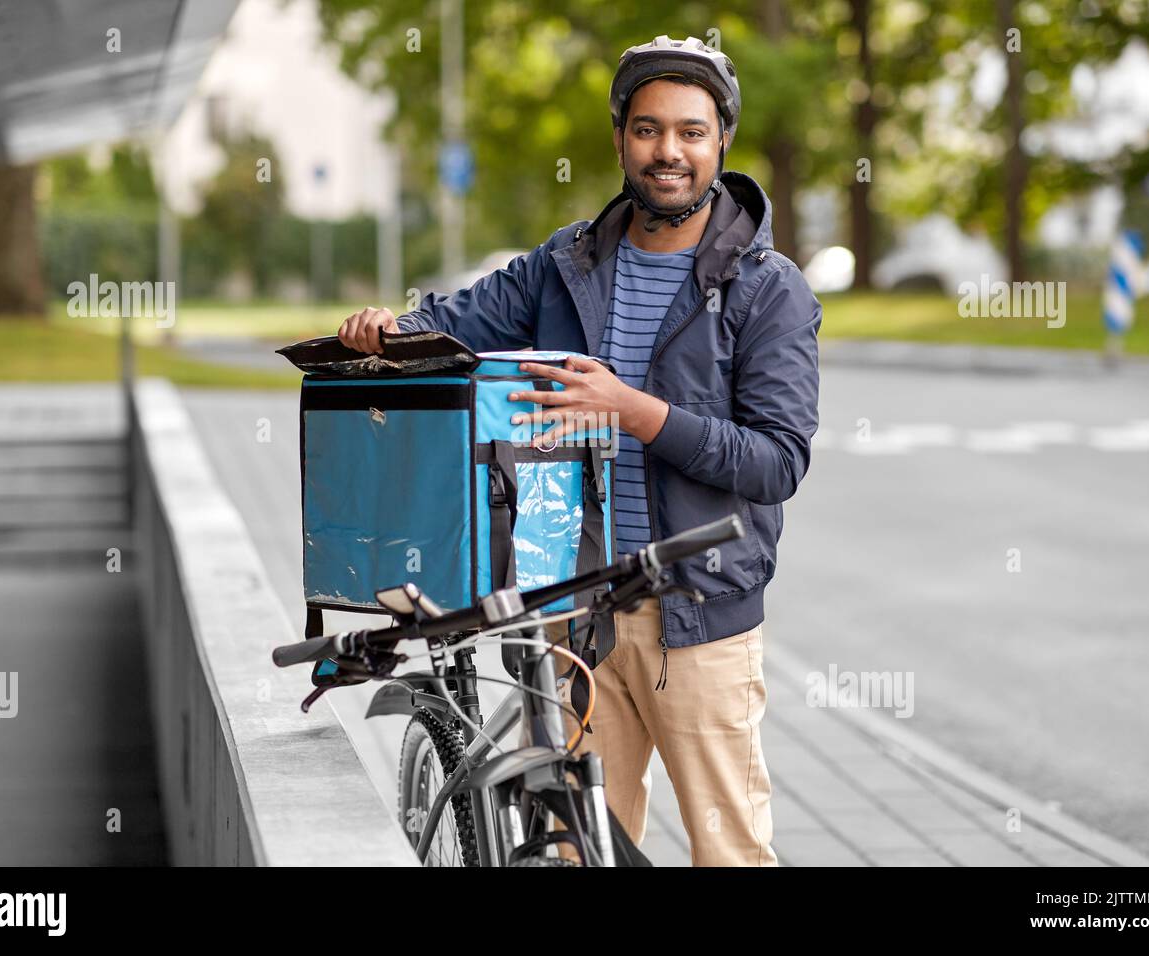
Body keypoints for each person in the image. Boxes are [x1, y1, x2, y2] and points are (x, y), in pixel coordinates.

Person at [338, 35, 821, 867]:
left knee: (729, 852)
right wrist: (390, 330)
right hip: (573, 614)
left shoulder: (768, 289)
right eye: (647, 129)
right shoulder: (566, 265)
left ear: (721, 142)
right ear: (620, 138)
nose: (668, 151)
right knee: (574, 851)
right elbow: (458, 320)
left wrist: (634, 412)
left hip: (698, 619)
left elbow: (777, 461)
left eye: (690, 132)